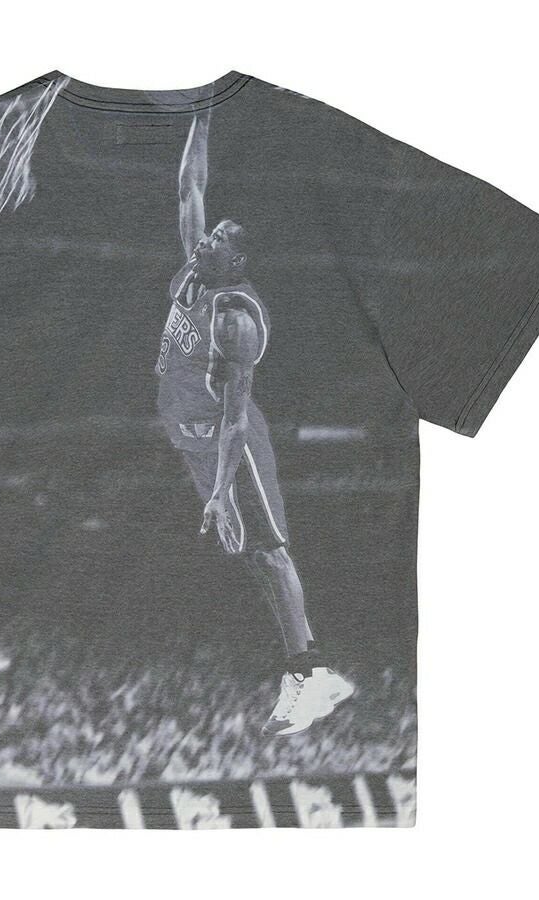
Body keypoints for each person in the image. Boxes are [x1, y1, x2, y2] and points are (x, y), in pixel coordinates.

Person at [155, 113, 353, 735]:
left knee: (271, 553)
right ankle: (312, 670)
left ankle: (310, 676)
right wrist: (204, 112)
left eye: (216, 238)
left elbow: (237, 420)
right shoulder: (194, 274)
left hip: (230, 447)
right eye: (208, 232)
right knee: (251, 559)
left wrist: (218, 490)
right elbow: (189, 187)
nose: (204, 239)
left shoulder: (234, 318)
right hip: (195, 442)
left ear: (236, 259)